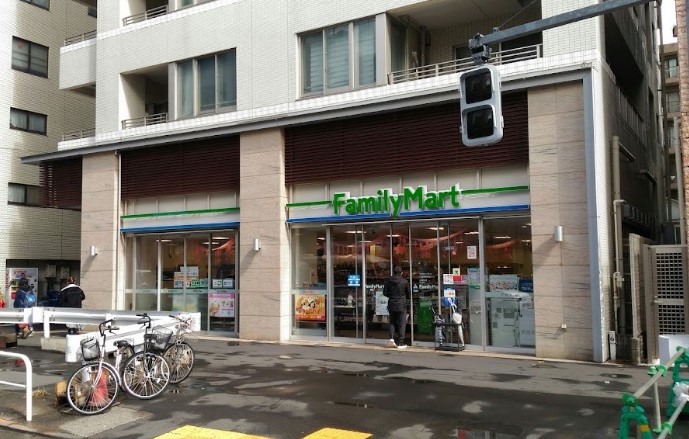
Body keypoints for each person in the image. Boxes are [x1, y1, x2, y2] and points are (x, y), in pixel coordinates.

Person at [383, 265, 410, 349]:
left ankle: (391, 339)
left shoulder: (388, 281)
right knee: (402, 323)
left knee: (392, 322)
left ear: (394, 272)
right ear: (401, 273)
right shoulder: (405, 282)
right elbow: (408, 294)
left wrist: (391, 296)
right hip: (401, 304)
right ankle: (401, 342)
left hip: (391, 303)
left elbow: (385, 293)